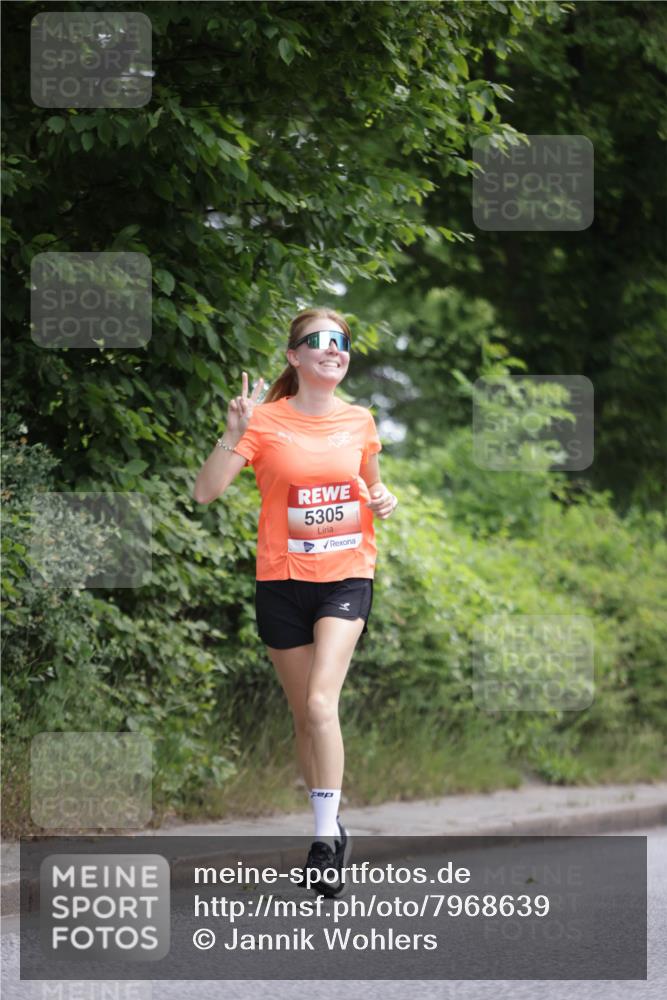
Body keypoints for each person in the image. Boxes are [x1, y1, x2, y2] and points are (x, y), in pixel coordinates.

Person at [193, 307, 398, 895]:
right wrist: (234, 433)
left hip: (345, 577)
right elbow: (206, 492)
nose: (334, 350)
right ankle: (330, 822)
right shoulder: (265, 422)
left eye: (342, 342)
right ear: (294, 356)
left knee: (318, 704)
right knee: (302, 717)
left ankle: (324, 836)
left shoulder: (360, 421)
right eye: (320, 341)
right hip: (281, 582)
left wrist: (384, 500)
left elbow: (372, 483)